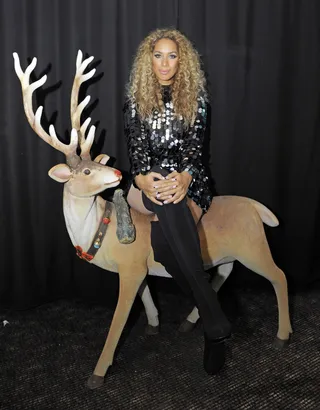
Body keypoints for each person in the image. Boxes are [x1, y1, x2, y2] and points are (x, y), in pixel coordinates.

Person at [123, 28, 231, 375]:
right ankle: (214, 319)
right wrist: (143, 179)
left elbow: (195, 154)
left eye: (172, 55)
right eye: (158, 55)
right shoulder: (136, 100)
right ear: (148, 60)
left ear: (182, 60)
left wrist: (183, 178)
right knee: (165, 200)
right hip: (145, 186)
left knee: (165, 248)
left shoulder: (196, 100)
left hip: (189, 182)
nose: (165, 63)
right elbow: (137, 157)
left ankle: (208, 313)